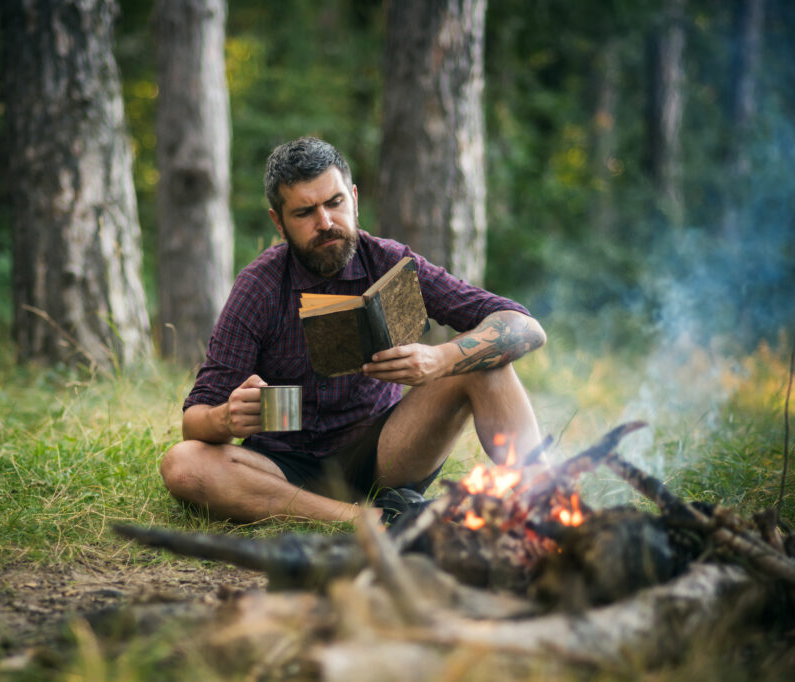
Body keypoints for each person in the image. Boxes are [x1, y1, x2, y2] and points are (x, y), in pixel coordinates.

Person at [160, 137, 546, 524]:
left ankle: (546, 506)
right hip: (279, 468)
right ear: (278, 221)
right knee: (183, 464)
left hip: (384, 455)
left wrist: (440, 359)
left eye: (335, 203)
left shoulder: (392, 262)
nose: (325, 223)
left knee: (486, 360)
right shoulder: (259, 287)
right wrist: (224, 419)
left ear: (354, 198)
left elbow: (524, 326)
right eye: (305, 212)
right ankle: (370, 519)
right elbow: (194, 420)